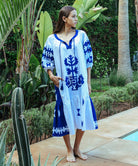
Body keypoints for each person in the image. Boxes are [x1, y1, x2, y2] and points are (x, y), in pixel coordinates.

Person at [42, 6, 98, 163]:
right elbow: (47, 62)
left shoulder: (82, 36)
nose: (76, 19)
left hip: (80, 85)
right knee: (64, 114)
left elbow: (88, 60)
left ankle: (77, 147)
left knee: (84, 113)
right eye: (73, 16)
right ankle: (68, 149)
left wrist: (88, 82)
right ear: (64, 19)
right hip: (62, 86)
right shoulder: (52, 40)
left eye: (76, 17)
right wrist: (51, 76)